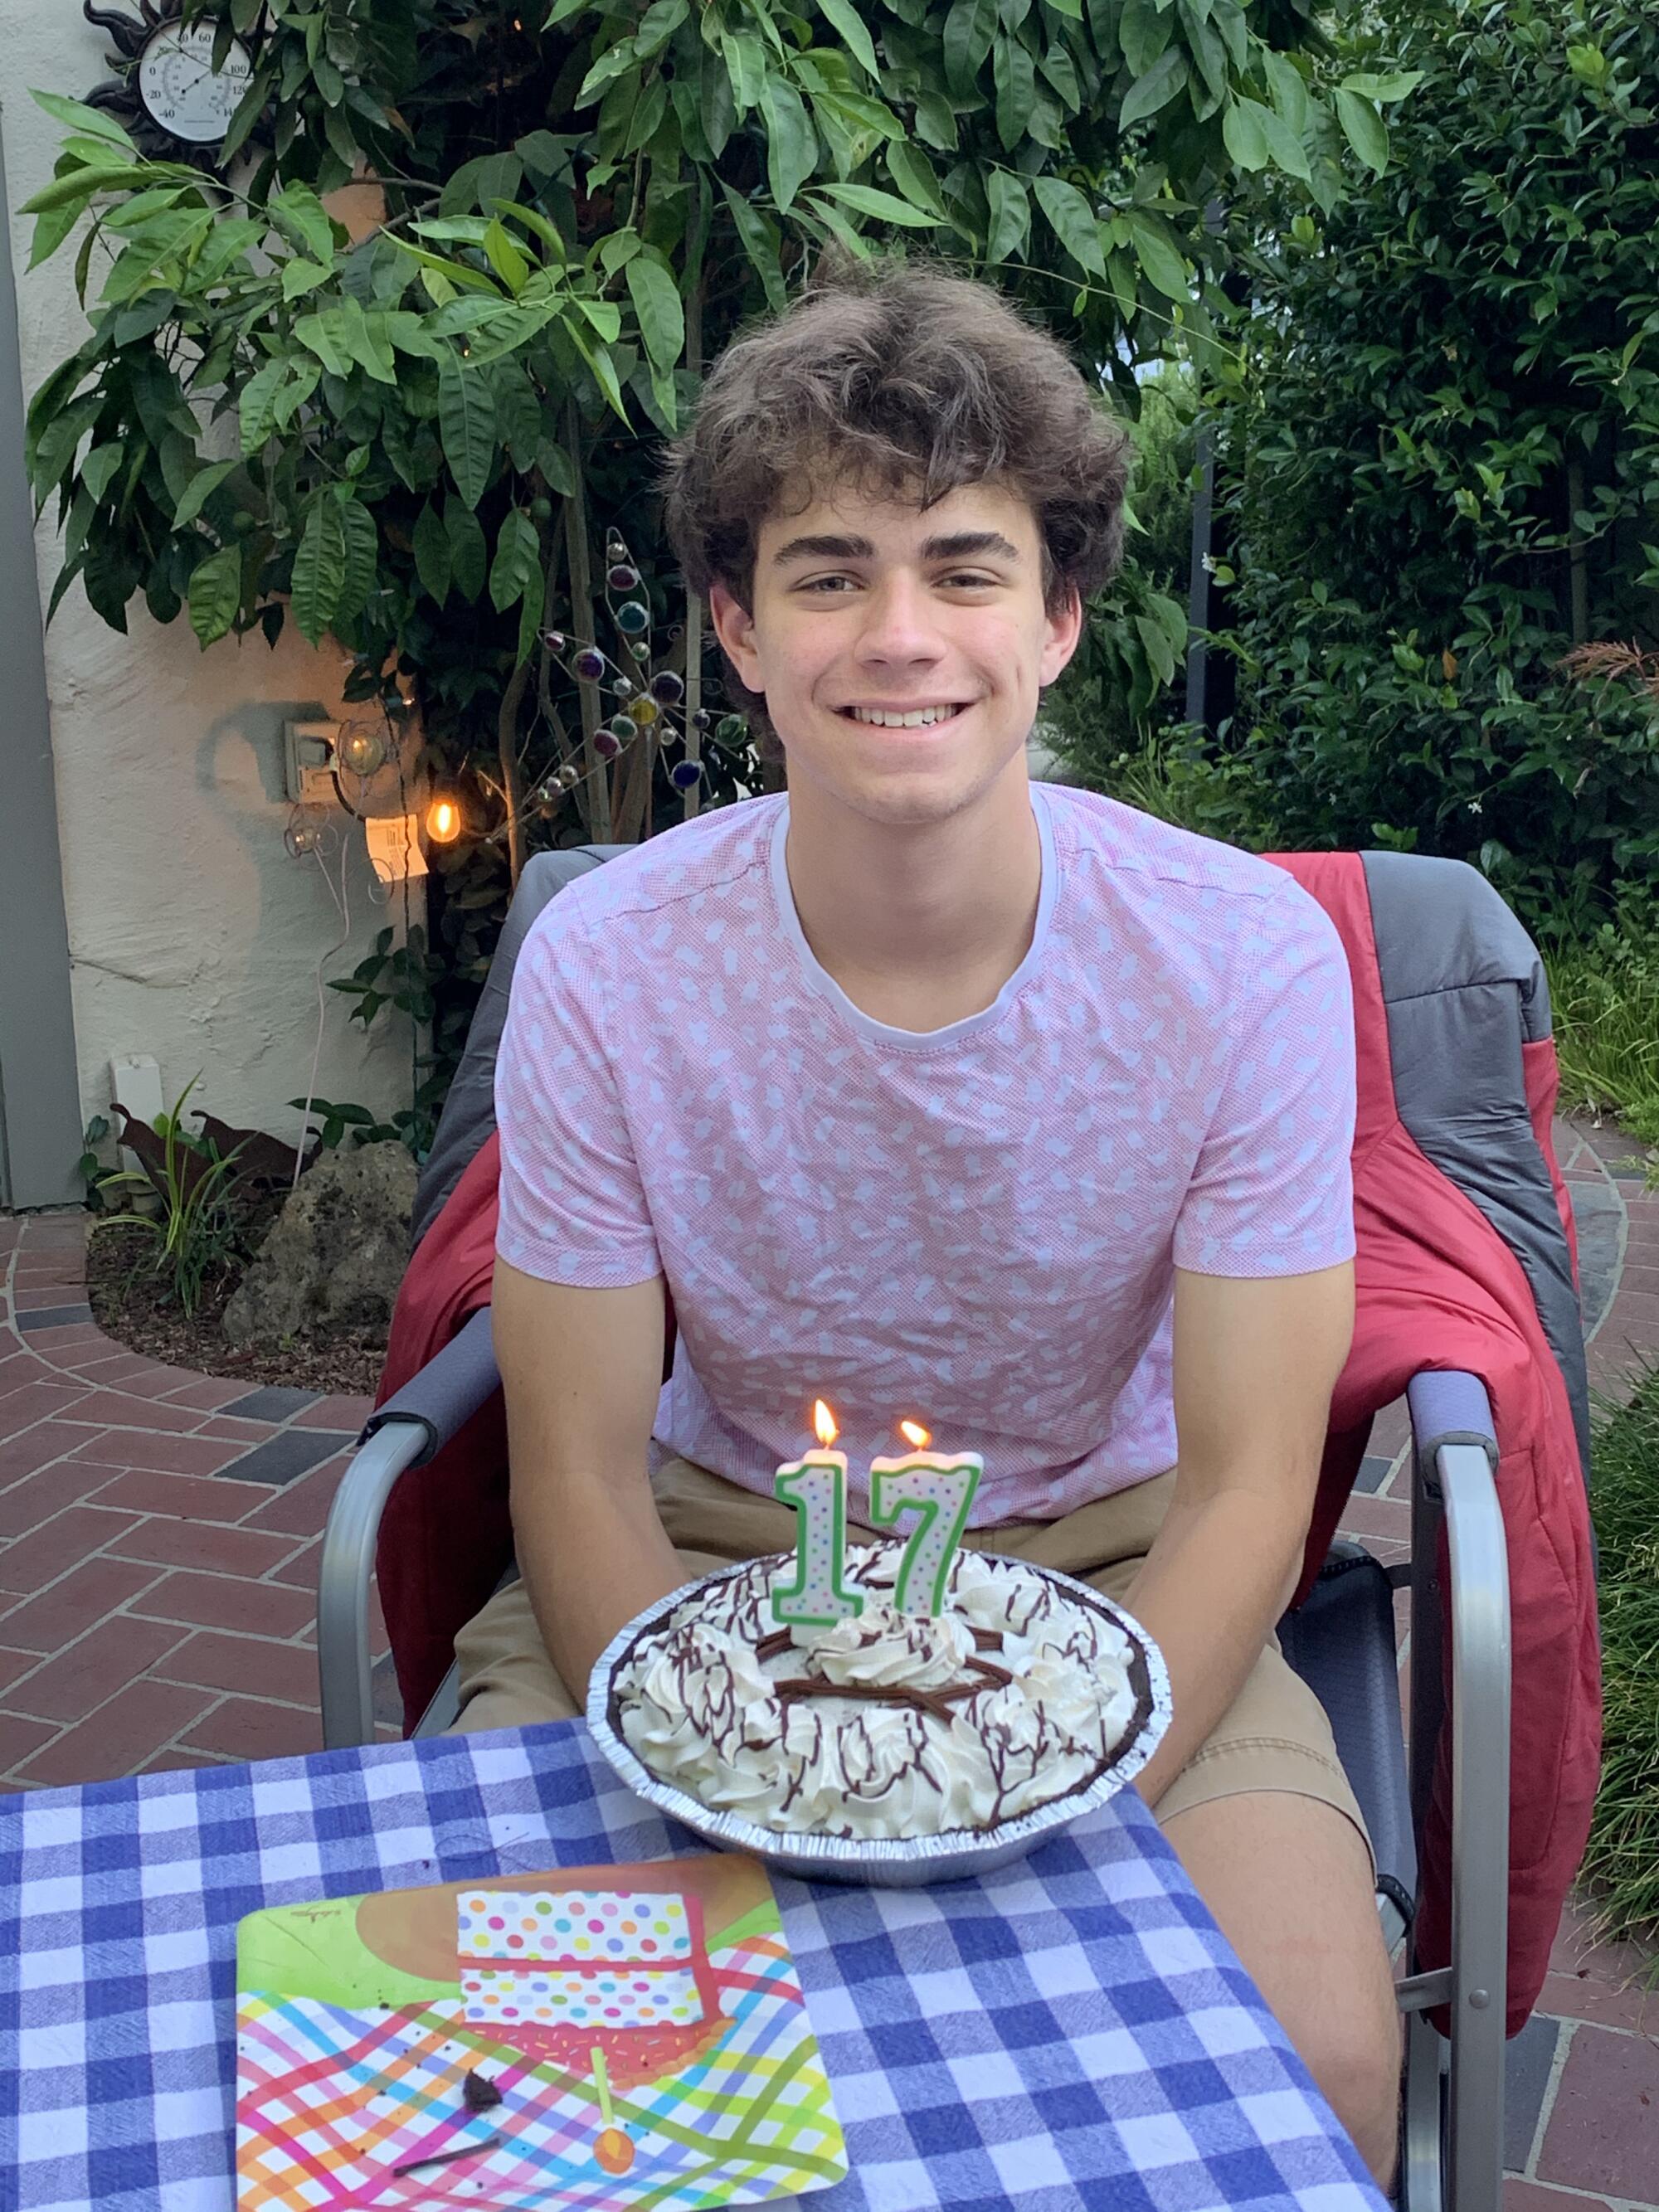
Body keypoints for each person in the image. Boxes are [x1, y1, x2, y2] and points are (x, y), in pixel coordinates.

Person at [452, 251, 1401, 2186]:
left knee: (1301, 2056)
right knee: (527, 2078)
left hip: (1112, 1579)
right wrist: (752, 1775)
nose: (901, 634)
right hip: (702, 1559)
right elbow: (570, 1462)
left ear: (1055, 616)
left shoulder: (1245, 964)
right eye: (826, 572)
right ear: (734, 624)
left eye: (964, 566)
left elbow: (1239, 1490)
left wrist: (1013, 1793)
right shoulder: (605, 965)